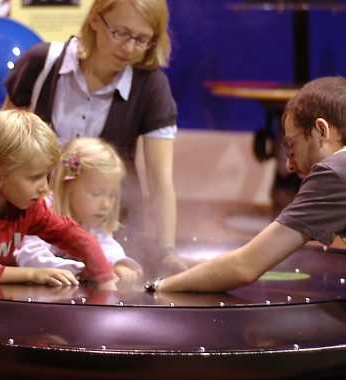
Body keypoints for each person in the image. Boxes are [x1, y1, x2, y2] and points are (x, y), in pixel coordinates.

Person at [3, 0, 197, 275]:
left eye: (142, 39)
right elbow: (2, 147)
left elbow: (160, 178)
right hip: (29, 224)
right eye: (120, 33)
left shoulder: (150, 85)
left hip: (108, 231)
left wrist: (167, 252)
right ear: (95, 19)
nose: (129, 48)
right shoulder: (40, 63)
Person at [144, 76, 346, 293]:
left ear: (322, 131)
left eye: (292, 146)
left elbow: (245, 266)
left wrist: (158, 287)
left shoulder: (334, 172)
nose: (289, 165)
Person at [0, 109, 116, 289]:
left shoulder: (26, 204)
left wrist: (104, 276)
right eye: (35, 177)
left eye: (46, 176)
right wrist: (33, 273)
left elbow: (69, 234)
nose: (45, 187)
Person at [14, 136, 143, 284]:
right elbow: (29, 256)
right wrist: (80, 269)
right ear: (68, 186)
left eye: (112, 195)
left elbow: (105, 244)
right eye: (96, 194)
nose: (106, 204)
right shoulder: (43, 209)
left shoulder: (91, 217)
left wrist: (117, 263)